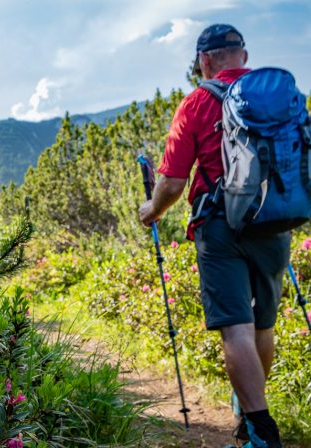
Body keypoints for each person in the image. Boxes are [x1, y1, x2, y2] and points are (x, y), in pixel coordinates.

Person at [138, 24, 289, 448]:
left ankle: (259, 432)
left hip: (219, 225)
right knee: (264, 324)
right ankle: (251, 414)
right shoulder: (277, 98)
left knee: (235, 327)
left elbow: (171, 184)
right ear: (243, 54)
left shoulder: (197, 102)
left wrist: (151, 210)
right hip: (274, 220)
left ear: (204, 61)